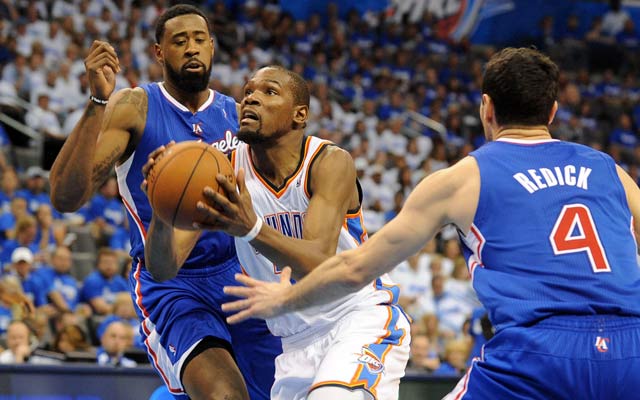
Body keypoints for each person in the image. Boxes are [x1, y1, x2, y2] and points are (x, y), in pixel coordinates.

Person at [221, 47, 640, 398]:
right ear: (552, 111)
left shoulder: (462, 178)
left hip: (539, 352)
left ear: (486, 108)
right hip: (632, 350)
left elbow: (355, 267)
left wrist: (282, 300)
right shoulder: (609, 169)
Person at [49, 4, 280, 400]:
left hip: (238, 274)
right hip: (173, 285)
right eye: (179, 41)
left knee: (284, 392)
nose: (191, 49)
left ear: (212, 46)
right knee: (224, 396)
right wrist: (97, 103)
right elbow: (66, 197)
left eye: (199, 40)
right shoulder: (135, 107)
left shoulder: (235, 115)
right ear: (159, 52)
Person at [151, 65, 411, 400]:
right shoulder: (223, 169)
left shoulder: (328, 161)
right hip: (294, 343)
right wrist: (161, 210)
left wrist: (251, 229)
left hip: (359, 318)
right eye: (248, 93)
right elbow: (163, 268)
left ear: (299, 115)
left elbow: (316, 261)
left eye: (268, 92)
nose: (251, 100)